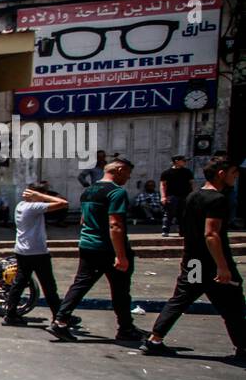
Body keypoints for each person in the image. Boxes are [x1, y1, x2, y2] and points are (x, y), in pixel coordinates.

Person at [140, 158, 244, 360]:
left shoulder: (192, 197)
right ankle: (243, 346)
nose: (236, 177)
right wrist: (223, 267)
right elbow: (211, 234)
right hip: (213, 263)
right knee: (233, 306)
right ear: (221, 174)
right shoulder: (217, 200)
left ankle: (155, 339)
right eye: (233, 173)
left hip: (194, 261)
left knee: (182, 298)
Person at [48, 158, 143, 343]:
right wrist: (121, 255)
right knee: (121, 290)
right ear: (119, 170)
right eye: (128, 173)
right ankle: (125, 327)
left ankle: (60, 320)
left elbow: (83, 220)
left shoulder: (88, 191)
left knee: (80, 284)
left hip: (87, 244)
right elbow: (115, 225)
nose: (129, 177)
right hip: (107, 248)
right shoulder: (116, 193)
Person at [2, 187, 67, 327]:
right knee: (49, 285)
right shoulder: (34, 207)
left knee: (19, 282)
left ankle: (10, 314)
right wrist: (41, 195)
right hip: (37, 252)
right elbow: (63, 203)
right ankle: (59, 316)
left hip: (22, 250)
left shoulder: (20, 205)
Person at [159, 154, 194, 237]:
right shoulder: (166, 173)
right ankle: (165, 230)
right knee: (169, 213)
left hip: (185, 195)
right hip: (172, 195)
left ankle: (182, 231)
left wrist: (192, 195)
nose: (185, 162)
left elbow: (191, 184)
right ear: (176, 161)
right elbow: (163, 185)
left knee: (183, 214)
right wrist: (163, 196)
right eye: (183, 160)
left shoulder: (187, 172)